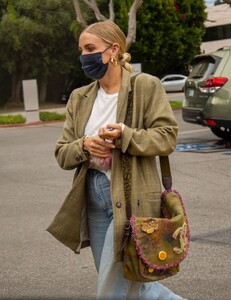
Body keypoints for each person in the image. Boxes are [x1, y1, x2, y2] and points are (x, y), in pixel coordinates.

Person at [47, 20, 186, 300]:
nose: (84, 56)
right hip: (94, 196)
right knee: (130, 280)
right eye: (81, 50)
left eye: (90, 48)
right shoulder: (80, 97)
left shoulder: (145, 86)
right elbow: (63, 153)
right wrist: (84, 145)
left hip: (133, 195)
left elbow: (166, 137)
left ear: (113, 50)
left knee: (112, 287)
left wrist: (125, 134)